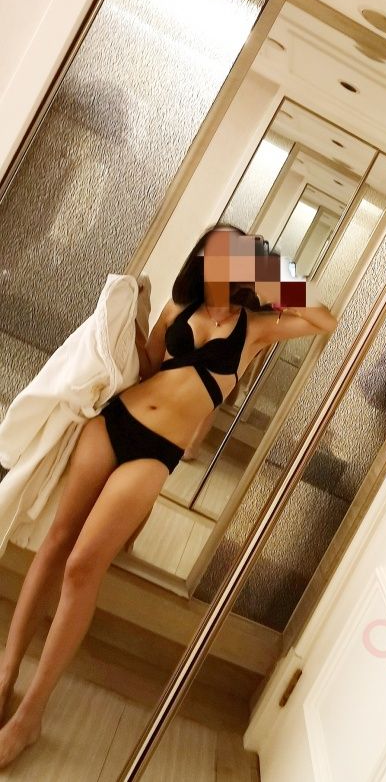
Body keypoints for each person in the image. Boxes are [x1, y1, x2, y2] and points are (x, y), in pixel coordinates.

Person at [0, 223, 338, 767]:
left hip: (157, 452)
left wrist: (275, 273)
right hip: (114, 424)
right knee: (58, 541)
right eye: (213, 250)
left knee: (83, 566)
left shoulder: (255, 328)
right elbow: (147, 368)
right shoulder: (180, 309)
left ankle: (30, 715)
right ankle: (7, 672)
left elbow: (325, 320)